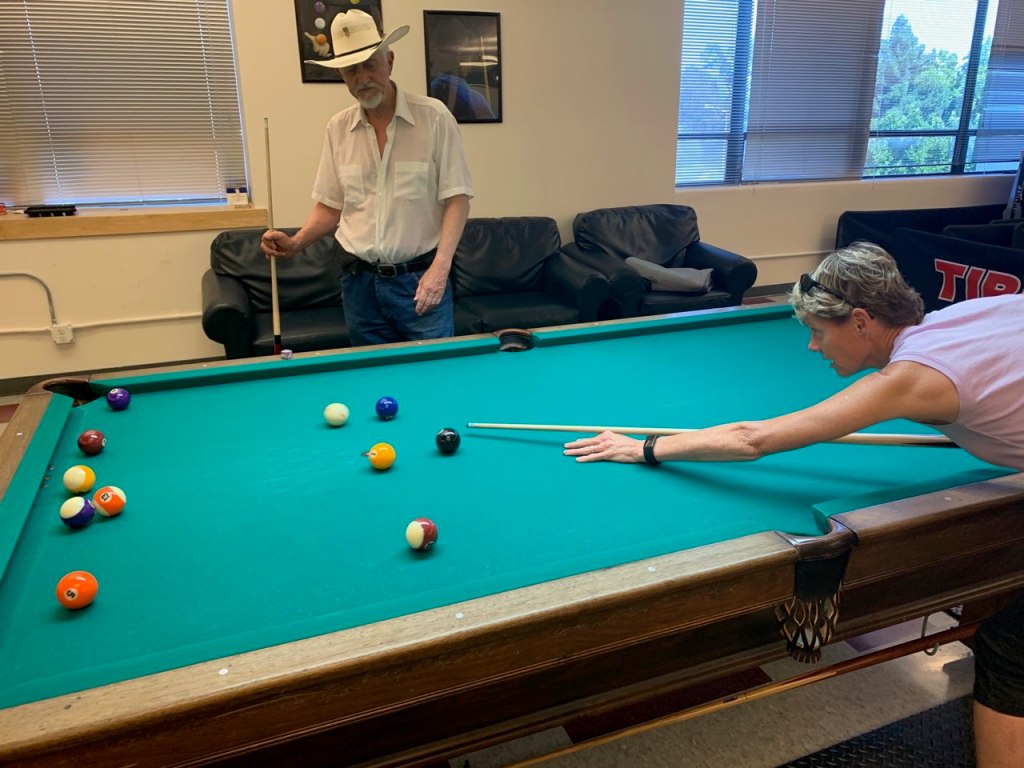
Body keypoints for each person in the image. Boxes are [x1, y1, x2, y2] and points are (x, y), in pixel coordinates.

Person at [564, 242, 1023, 768]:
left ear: (861, 321)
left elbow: (753, 439)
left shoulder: (912, 378)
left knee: (1009, 652)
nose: (811, 347)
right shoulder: (971, 312)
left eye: (818, 332)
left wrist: (644, 446)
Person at [261, 9, 473, 346]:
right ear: (343, 76)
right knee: (371, 381)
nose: (362, 78)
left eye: (370, 65)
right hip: (359, 285)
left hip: (419, 281)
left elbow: (457, 199)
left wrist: (440, 268)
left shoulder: (435, 119)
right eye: (351, 70)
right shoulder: (337, 128)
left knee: (432, 378)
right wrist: (297, 242)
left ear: (389, 61)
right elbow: (331, 206)